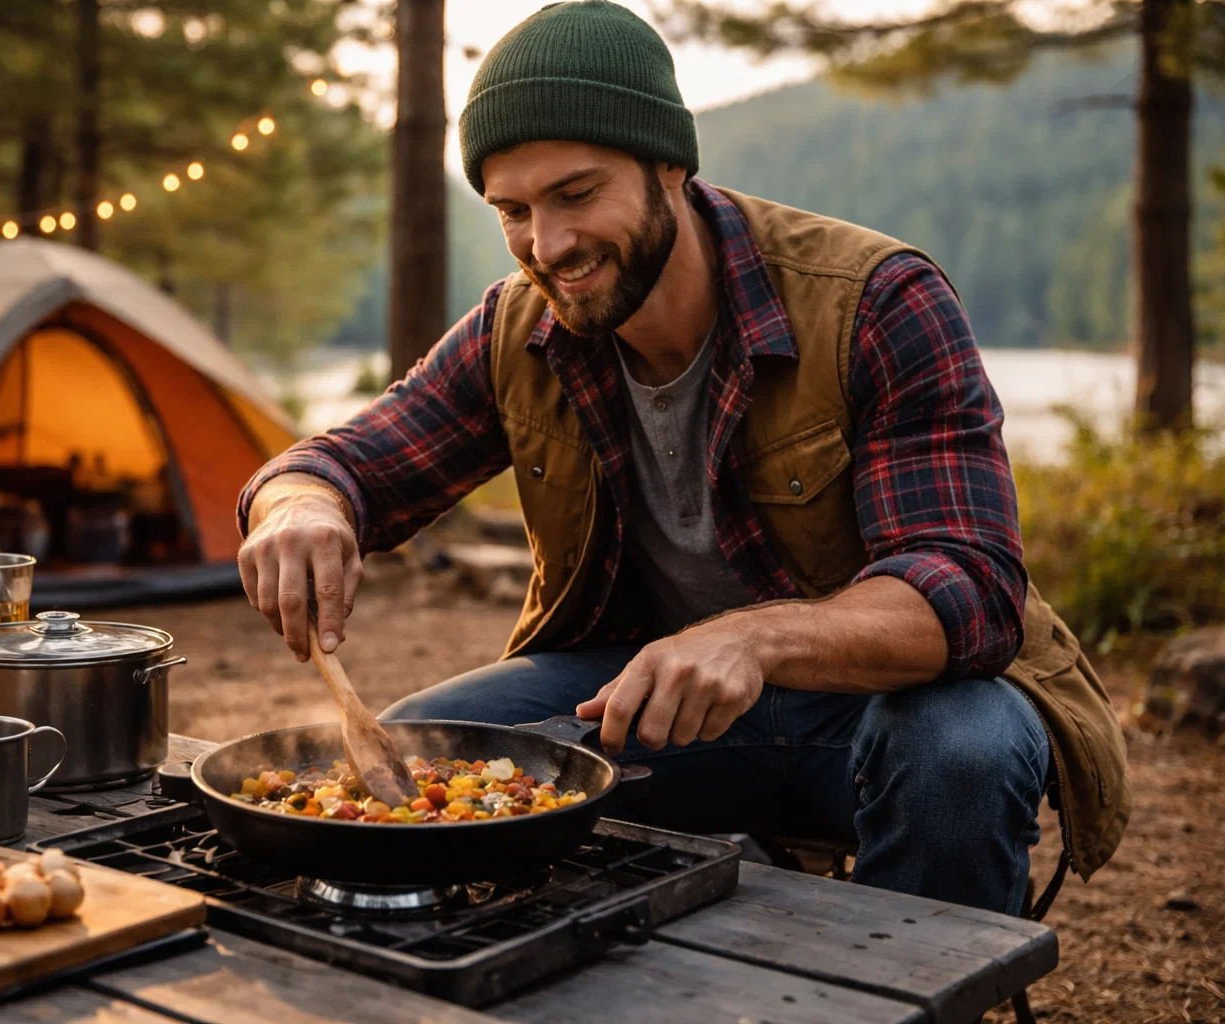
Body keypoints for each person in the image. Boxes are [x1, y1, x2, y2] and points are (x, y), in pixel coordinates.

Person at [235, 0, 1127, 916]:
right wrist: (302, 505)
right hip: (642, 700)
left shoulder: (876, 300)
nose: (548, 246)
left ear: (672, 165)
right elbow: (349, 461)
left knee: (962, 755)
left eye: (577, 194)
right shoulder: (519, 325)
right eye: (513, 210)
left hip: (880, 706)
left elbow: (972, 590)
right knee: (413, 760)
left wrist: (750, 636)